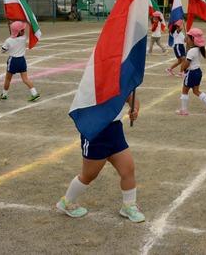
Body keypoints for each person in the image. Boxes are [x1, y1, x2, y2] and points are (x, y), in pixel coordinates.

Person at [56, 92, 144, 222]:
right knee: (88, 175)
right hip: (95, 132)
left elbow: (131, 96)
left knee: (128, 170)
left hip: (115, 131)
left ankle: (128, 205)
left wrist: (135, 109)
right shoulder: (93, 79)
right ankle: (66, 202)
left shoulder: (121, 78)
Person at [177, 28, 206, 116]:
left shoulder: (192, 51)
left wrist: (182, 70)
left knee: (184, 91)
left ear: (193, 39)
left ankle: (184, 110)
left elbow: (186, 63)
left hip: (191, 73)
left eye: (188, 37)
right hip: (198, 72)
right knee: (196, 91)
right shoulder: (198, 49)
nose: (187, 39)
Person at [0, 21, 40, 102]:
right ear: (19, 32)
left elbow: (2, 50)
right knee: (25, 79)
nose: (24, 31)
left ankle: (4, 94)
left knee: (7, 79)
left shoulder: (8, 40)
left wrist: (8, 43)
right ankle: (35, 93)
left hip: (13, 61)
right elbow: (17, 37)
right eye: (22, 30)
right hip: (22, 60)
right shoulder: (24, 38)